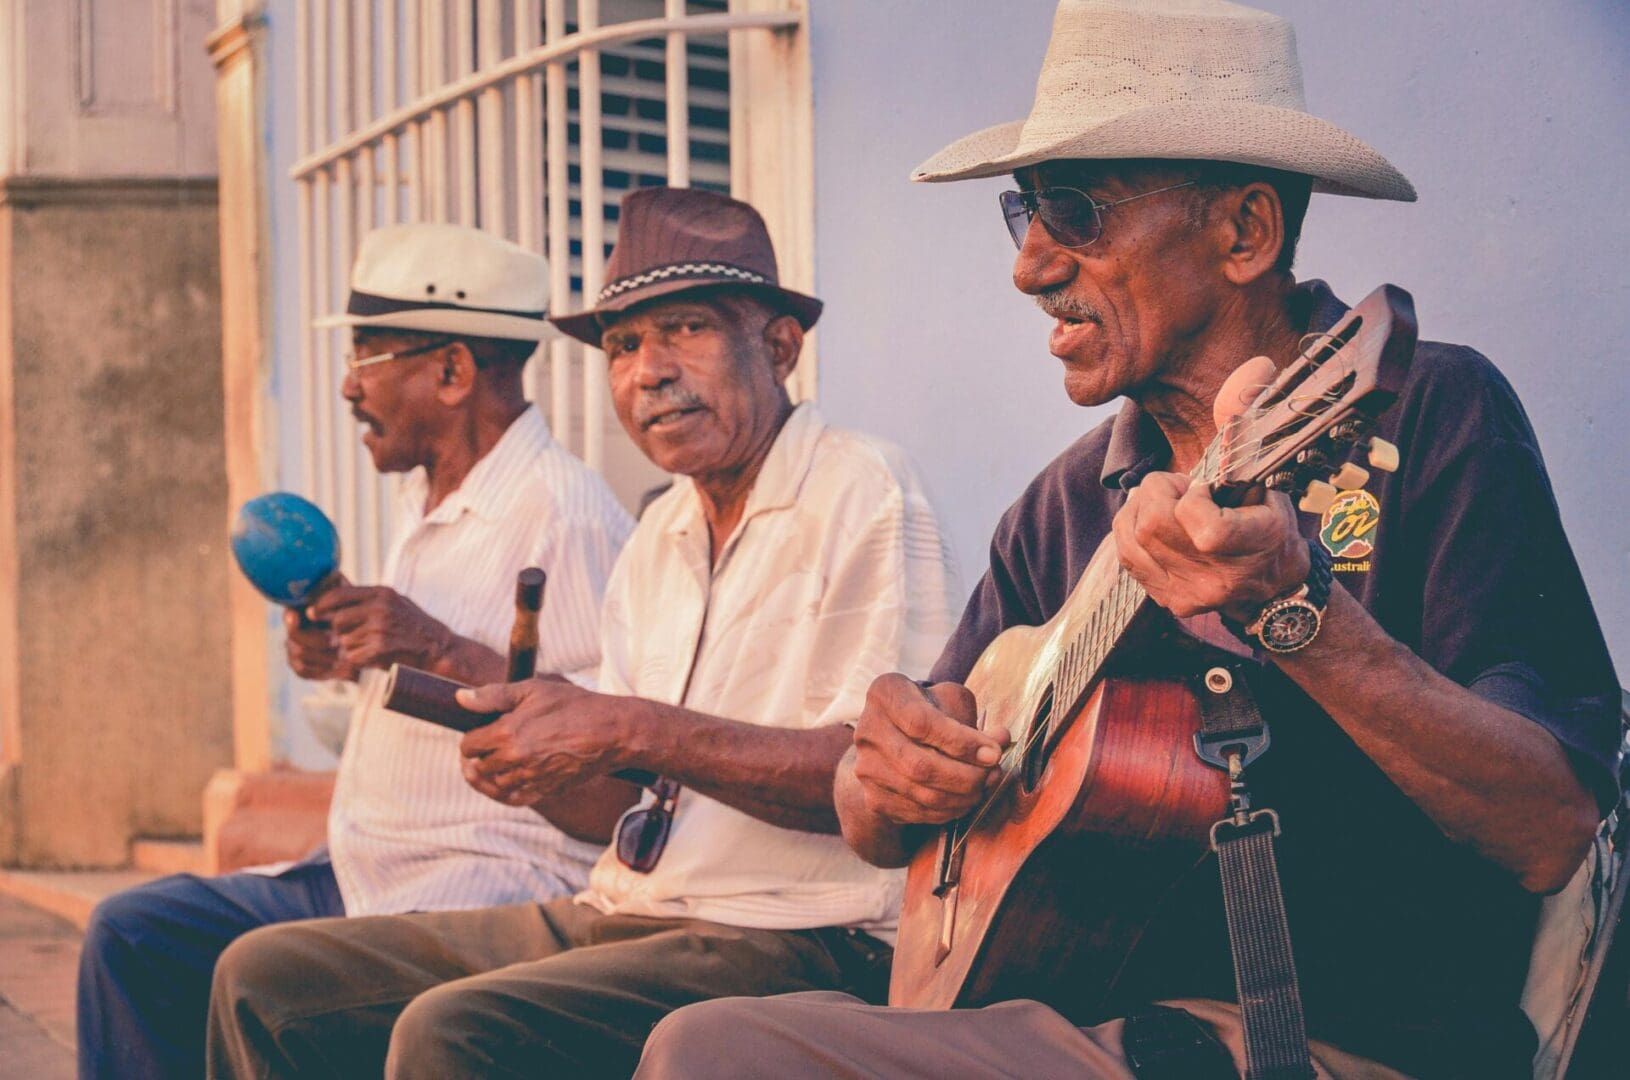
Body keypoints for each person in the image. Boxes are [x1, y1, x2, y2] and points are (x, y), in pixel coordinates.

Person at [634, 3, 1622, 1079]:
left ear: (1242, 232)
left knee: (716, 1051)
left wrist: (1299, 617)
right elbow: (884, 817)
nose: (1027, 267)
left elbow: (1553, 824)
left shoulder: (1432, 412)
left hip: (1343, 1041)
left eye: (1075, 213)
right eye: (1025, 212)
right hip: (1084, 1016)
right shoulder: (1060, 510)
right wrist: (883, 774)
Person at [202, 186, 964, 1079]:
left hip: (795, 930)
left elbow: (878, 781)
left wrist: (633, 727)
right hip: (631, 905)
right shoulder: (660, 535)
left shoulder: (863, 488)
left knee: (452, 1030)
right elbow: (620, 808)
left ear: (779, 346)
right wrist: (537, 768)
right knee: (265, 977)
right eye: (624, 346)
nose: (649, 371)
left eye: (685, 329)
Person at [77, 223, 634, 1080]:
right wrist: (352, 654)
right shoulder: (430, 496)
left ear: (451, 372)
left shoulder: (568, 513)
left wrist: (437, 645)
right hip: (362, 868)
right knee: (135, 932)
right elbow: (432, 659)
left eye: (368, 356)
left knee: (270, 980)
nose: (348, 385)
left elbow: (613, 748)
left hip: (484, 880)